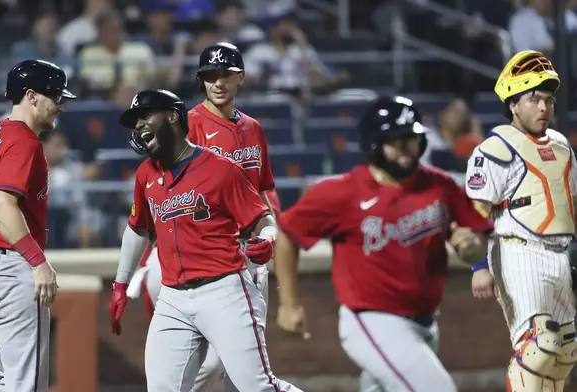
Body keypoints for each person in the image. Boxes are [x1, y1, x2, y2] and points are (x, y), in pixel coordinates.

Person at [273, 96, 493, 392]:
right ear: (374, 144)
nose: (406, 148)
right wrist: (288, 303)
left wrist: (473, 247)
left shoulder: (440, 185)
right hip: (373, 321)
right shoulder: (343, 192)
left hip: (426, 322)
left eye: (412, 138)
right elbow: (287, 234)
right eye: (395, 140)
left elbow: (477, 238)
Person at [108, 88, 303, 392]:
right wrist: (120, 283)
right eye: (135, 121)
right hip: (172, 298)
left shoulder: (221, 169)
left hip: (224, 290)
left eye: (145, 116)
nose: (139, 126)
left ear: (172, 116)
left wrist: (268, 239)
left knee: (258, 387)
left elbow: (263, 220)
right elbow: (138, 228)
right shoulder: (146, 174)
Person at [126, 42, 278, 392]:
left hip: (246, 251)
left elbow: (266, 188)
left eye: (225, 75)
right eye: (210, 76)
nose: (218, 83)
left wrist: (271, 232)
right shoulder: (187, 123)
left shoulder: (253, 128)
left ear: (240, 77)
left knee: (240, 373)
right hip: (198, 255)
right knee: (207, 370)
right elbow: (159, 188)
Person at [0, 59, 75, 392]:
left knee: (5, 377)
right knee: (25, 384)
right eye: (55, 97)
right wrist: (38, 262)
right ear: (31, 96)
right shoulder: (24, 140)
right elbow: (0, 203)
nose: (60, 106)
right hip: (8, 269)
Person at [466, 50, 577, 391]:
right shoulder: (495, 149)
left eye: (548, 99)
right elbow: (474, 212)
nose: (543, 107)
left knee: (564, 352)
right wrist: (478, 267)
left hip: (562, 255)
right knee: (536, 347)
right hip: (519, 251)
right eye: (533, 99)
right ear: (513, 103)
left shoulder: (561, 145)